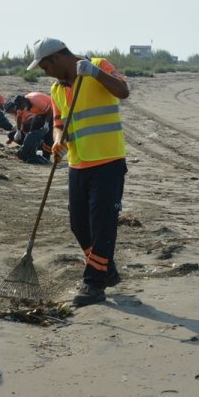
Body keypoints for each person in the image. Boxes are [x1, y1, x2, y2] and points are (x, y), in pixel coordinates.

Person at [27, 37, 129, 306]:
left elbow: (123, 91)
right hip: (78, 163)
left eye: (45, 67)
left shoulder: (98, 65)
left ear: (58, 58)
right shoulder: (56, 89)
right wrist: (59, 139)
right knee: (78, 224)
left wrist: (95, 73)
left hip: (108, 160)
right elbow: (59, 122)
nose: (45, 73)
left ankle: (94, 282)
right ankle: (106, 269)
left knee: (102, 223)